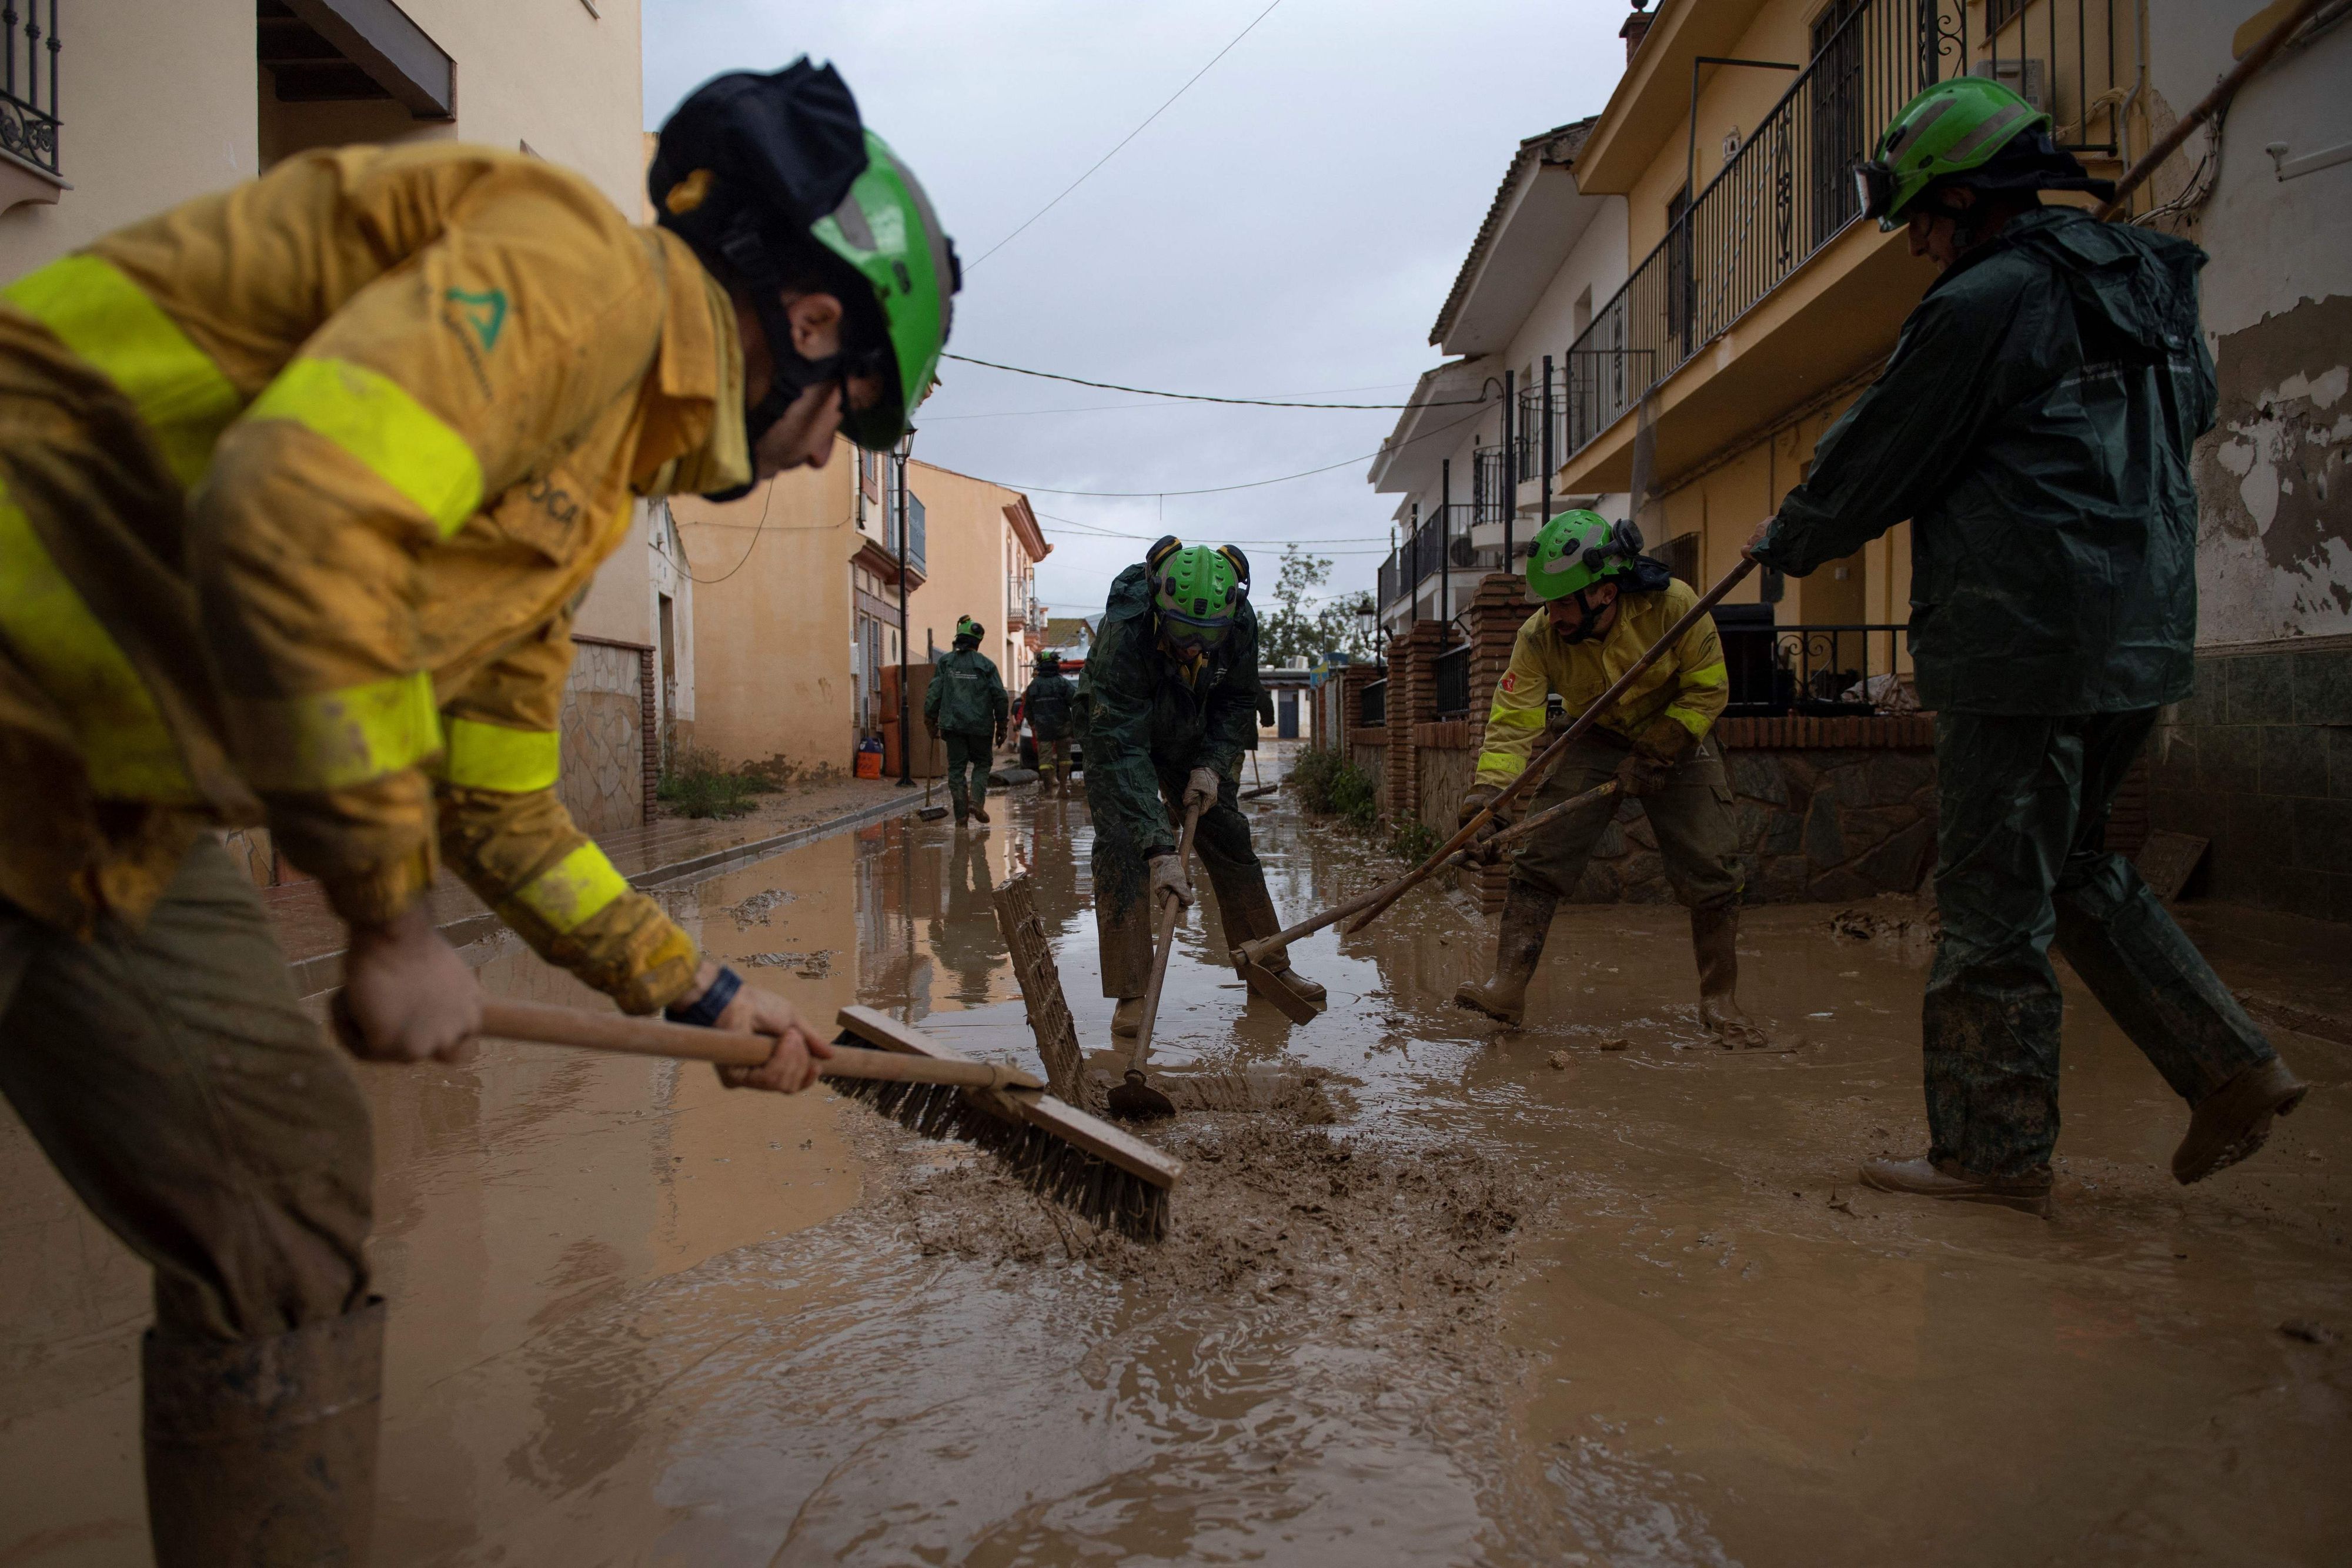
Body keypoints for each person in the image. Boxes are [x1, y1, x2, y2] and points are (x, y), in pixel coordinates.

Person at [0, 58, 958, 1560]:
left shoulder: (583, 478)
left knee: (286, 1200)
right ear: (811, 321)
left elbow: (505, 807)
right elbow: (297, 508)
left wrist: (705, 996)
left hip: (76, 804)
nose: (833, 449)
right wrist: (385, 920)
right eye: (855, 412)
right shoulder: (570, 278)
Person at [1746, 76, 2304, 1216]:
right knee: (2078, 859)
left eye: (1919, 220)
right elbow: (2190, 412)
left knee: (1994, 899)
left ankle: (1990, 1153)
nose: (1912, 247)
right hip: (2141, 631)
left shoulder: (1979, 303)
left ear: (1965, 199)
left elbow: (1876, 456)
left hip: (2021, 640)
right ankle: (2229, 1067)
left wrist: (1789, 535)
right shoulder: (2148, 279)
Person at [1453, 510, 1765, 1047]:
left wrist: (1663, 746)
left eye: (1563, 603)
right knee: (1540, 858)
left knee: (1713, 866)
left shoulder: (1676, 607)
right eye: (1547, 604)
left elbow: (1709, 688)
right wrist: (1489, 797)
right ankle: (1507, 988)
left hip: (1677, 735)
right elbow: (1513, 721)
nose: (1552, 617)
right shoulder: (1538, 637)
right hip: (1595, 733)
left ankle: (1720, 999)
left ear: (1604, 591)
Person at [1077, 536, 1323, 1033]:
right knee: (1124, 843)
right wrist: (1160, 850)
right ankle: (1132, 993)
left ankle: (1268, 966)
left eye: (1204, 641)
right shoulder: (1125, 631)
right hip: (1118, 730)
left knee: (1230, 836)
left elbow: (1236, 700)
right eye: (1183, 638)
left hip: (1192, 729)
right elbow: (1123, 747)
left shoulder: (1240, 621)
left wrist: (1211, 764)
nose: (1193, 650)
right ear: (1159, 608)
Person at [925, 614, 1007, 825]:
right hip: (981, 726)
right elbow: (1000, 695)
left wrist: (930, 719)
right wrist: (1002, 725)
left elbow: (935, 692)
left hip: (953, 726)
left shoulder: (946, 662)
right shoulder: (986, 665)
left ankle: (961, 815)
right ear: (977, 642)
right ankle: (977, 802)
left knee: (956, 770)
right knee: (982, 764)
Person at [1019, 647, 1078, 794]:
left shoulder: (1034, 685)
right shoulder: (1062, 683)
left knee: (1045, 761)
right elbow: (1075, 701)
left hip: (1043, 729)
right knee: (1065, 758)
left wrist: (1033, 724)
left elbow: (1027, 709)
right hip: (1063, 727)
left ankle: (1048, 791)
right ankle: (1063, 788)